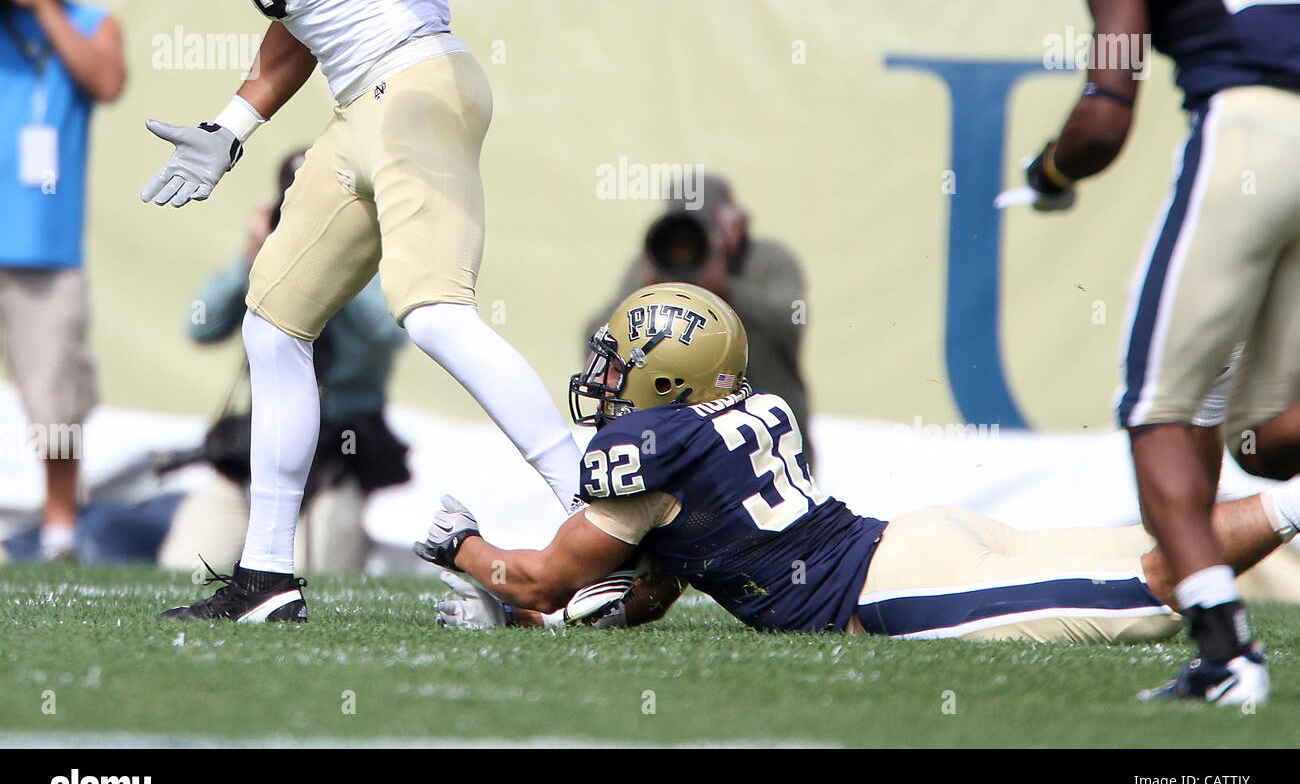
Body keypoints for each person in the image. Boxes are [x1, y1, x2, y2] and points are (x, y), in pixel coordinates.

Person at [144, 0, 581, 623]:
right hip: (356, 103)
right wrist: (231, 127)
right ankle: (268, 574)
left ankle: (595, 508)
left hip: (419, 77)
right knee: (272, 320)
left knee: (433, 313)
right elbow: (300, 24)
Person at [418, 285, 1300, 704]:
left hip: (889, 593)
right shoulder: (744, 407)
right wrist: (593, 606)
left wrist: (457, 542)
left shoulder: (648, 462)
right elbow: (651, 586)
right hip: (915, 536)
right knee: (1154, 556)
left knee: (1149, 594)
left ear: (665, 382)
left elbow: (537, 577)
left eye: (621, 368)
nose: (605, 382)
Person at [998, 0, 1294, 706]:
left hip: (1253, 129)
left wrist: (1050, 172)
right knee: (1266, 431)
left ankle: (1223, 650)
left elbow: (1108, 101)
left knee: (1159, 404)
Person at [157, 149, 411, 575]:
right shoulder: (268, 261)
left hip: (336, 457)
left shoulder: (372, 258)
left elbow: (391, 332)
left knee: (318, 573)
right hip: (258, 453)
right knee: (186, 564)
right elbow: (200, 326)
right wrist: (250, 259)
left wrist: (332, 262)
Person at [0, 0, 126, 561]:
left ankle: (57, 531)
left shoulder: (88, 21)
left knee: (57, 406)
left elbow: (106, 80)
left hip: (44, 247)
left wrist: (40, 1)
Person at [585, 173, 810, 449]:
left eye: (702, 228)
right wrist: (646, 288)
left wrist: (726, 288)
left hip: (768, 441)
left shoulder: (767, 260)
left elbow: (790, 322)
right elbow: (598, 336)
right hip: (682, 447)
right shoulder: (654, 265)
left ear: (737, 223)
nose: (685, 250)